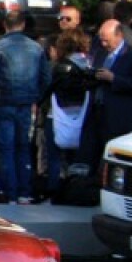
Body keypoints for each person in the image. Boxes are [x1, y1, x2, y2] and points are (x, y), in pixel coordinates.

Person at [0, 10, 51, 204]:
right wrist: (37, 96)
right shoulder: (36, 48)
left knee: (6, 149)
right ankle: (25, 192)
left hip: (3, 103)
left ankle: (11, 193)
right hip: (26, 103)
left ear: (5, 25)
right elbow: (46, 78)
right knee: (23, 147)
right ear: (23, 25)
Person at [79, 18, 132, 174]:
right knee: (91, 153)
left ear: (119, 36)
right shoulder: (100, 52)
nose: (104, 44)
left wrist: (113, 79)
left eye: (107, 41)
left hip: (118, 117)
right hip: (96, 112)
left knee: (112, 159)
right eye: (102, 40)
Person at [39, 28, 92, 196]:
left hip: (57, 115)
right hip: (81, 115)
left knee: (54, 156)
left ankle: (53, 188)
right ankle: (74, 188)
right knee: (74, 156)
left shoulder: (59, 67)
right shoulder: (89, 66)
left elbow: (48, 89)